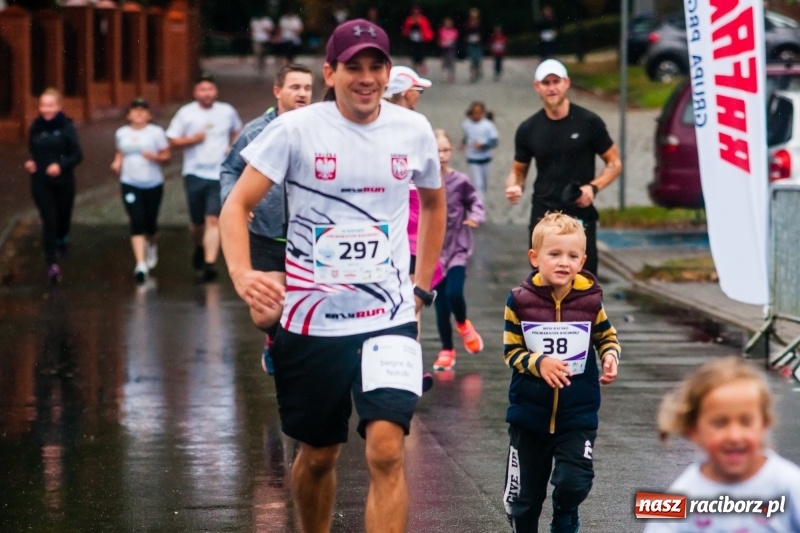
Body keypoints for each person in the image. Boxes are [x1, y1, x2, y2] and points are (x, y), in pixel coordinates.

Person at [219, 19, 446, 532]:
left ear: (388, 73)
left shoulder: (411, 130)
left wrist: (421, 288)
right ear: (331, 71)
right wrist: (241, 274)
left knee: (387, 451)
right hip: (310, 323)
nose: (365, 78)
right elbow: (237, 206)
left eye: (375, 67)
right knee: (319, 454)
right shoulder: (296, 129)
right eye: (353, 67)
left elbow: (434, 204)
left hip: (386, 316)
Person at [502, 212, 620, 533]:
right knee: (523, 502)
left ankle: (564, 511)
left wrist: (609, 355)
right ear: (535, 257)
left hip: (576, 415)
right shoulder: (519, 301)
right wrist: (539, 363)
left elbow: (606, 336)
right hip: (529, 417)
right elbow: (512, 352)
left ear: (582, 260)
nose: (563, 262)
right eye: (554, 254)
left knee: (574, 482)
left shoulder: (591, 300)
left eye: (571, 255)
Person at [220, 63, 313, 374]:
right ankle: (274, 339)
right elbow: (229, 170)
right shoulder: (256, 132)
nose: (302, 94)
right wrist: (236, 202)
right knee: (266, 313)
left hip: (309, 236)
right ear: (278, 92)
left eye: (307, 88)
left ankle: (301, 358)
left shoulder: (318, 129)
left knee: (313, 309)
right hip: (266, 232)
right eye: (295, 87)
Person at [643, 356, 800, 532]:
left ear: (764, 423)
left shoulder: (791, 486)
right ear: (693, 430)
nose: (734, 436)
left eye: (746, 421)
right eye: (720, 423)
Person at [505, 59, 622, 276]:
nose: (552, 88)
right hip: (544, 213)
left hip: (578, 211)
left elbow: (614, 163)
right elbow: (518, 171)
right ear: (537, 87)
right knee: (543, 284)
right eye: (546, 83)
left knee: (584, 283)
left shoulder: (589, 121)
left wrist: (593, 188)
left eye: (556, 81)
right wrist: (514, 186)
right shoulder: (528, 129)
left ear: (566, 83)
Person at [166, 73, 242, 281]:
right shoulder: (186, 113)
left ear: (215, 91)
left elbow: (237, 131)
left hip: (218, 173)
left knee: (213, 218)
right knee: (197, 223)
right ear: (195, 92)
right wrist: (192, 139)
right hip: (194, 172)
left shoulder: (227, 111)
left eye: (210, 89)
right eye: (202, 89)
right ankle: (199, 246)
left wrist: (231, 146)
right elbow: (171, 140)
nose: (207, 93)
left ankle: (210, 263)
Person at [431, 129, 485, 372]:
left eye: (445, 150)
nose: (441, 155)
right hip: (433, 251)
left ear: (451, 152)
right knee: (440, 304)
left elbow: (475, 202)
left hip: (458, 247)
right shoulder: (422, 181)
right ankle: (446, 349)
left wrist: (474, 217)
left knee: (454, 293)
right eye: (436, 150)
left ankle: (463, 324)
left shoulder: (460, 181)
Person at [24, 88, 83, 284]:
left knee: (62, 218)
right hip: (41, 182)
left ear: (58, 106)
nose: (46, 109)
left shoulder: (67, 127)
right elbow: (32, 150)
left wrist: (61, 165)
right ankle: (51, 264)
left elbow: (77, 155)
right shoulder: (36, 127)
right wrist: (31, 162)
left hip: (63, 182)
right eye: (43, 105)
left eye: (50, 105)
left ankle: (63, 237)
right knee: (49, 220)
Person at [110, 97, 171, 284]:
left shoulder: (156, 133)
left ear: (149, 115)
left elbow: (166, 155)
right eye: (135, 110)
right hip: (129, 182)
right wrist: (117, 162)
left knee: (150, 222)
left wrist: (155, 157)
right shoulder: (122, 133)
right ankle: (141, 264)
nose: (138, 114)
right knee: (136, 221)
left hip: (152, 183)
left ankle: (151, 245)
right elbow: (120, 151)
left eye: (143, 110)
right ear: (128, 115)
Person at [461, 101, 499, 204]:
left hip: (485, 158)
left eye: (478, 112)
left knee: (484, 184)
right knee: (478, 184)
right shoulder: (466, 124)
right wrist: (464, 143)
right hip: (472, 158)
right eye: (473, 112)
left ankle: (480, 199)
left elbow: (495, 142)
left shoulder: (488, 125)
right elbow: (467, 136)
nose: (476, 115)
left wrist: (484, 145)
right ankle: (479, 206)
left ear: (483, 113)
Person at [401, 5, 434, 75]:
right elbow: (406, 30)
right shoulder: (409, 20)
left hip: (421, 40)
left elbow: (426, 30)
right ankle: (415, 68)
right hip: (412, 41)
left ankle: (422, 67)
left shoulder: (423, 20)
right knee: (414, 54)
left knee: (421, 54)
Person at [463, 8, 484, 82]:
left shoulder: (480, 23)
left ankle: (477, 71)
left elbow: (483, 33)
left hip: (478, 43)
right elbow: (465, 32)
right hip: (471, 43)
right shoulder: (468, 24)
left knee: (477, 59)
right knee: (472, 59)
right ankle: (473, 74)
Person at [438, 17, 459, 84]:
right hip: (444, 49)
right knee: (446, 60)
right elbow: (440, 39)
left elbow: (455, 39)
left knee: (451, 61)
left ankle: (451, 74)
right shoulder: (442, 30)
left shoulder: (454, 31)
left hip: (451, 49)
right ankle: (445, 64)